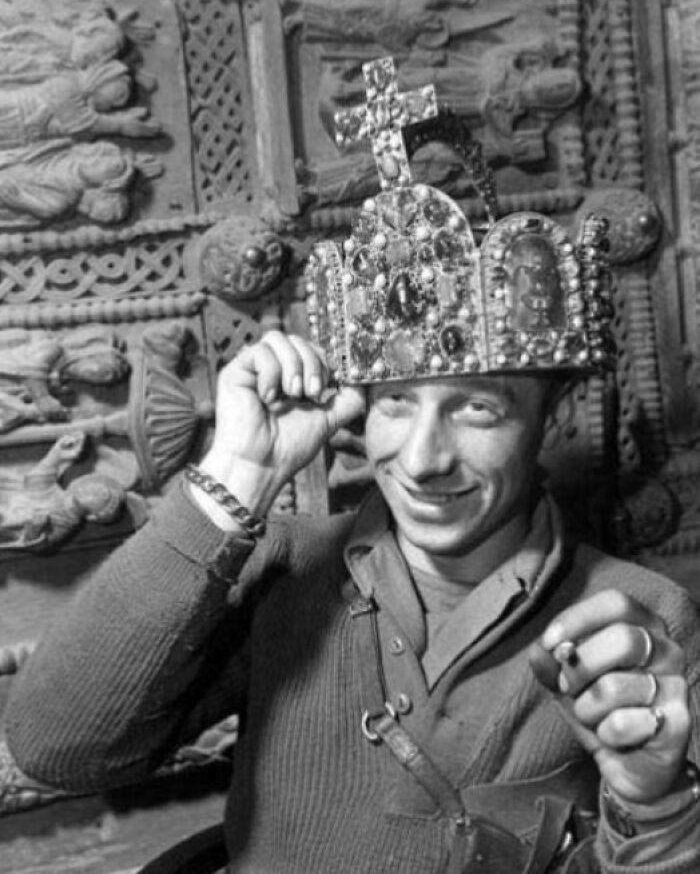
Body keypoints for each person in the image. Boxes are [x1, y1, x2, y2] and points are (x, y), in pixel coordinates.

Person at [6, 63, 700, 873]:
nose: (423, 458)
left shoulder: (641, 619)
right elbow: (55, 747)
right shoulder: (286, 566)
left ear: (550, 418)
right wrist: (233, 481)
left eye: (478, 409)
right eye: (397, 402)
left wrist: (656, 805)